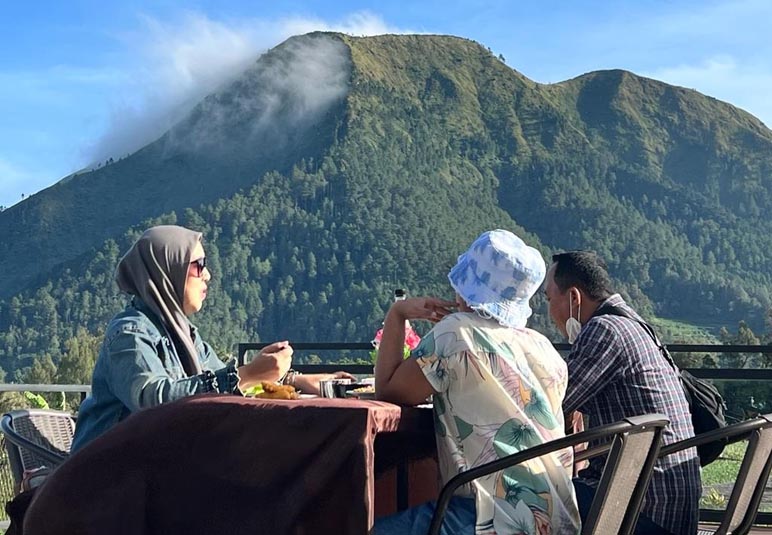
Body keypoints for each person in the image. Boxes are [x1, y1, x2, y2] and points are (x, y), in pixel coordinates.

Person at [72, 225, 352, 452]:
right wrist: (246, 374)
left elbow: (218, 380)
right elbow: (153, 401)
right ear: (167, 271)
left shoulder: (184, 335)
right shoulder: (129, 333)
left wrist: (294, 380)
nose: (208, 274)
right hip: (110, 481)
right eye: (198, 265)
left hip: (156, 469)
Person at [374, 230, 580, 535]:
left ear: (465, 288)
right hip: (555, 519)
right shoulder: (542, 348)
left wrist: (398, 314)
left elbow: (389, 391)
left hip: (490, 518)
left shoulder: (456, 334)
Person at [544, 251, 701, 535]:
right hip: (668, 504)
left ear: (574, 298)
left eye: (548, 299)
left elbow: (549, 406)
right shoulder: (632, 324)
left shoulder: (604, 330)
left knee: (524, 502)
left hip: (643, 510)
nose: (549, 310)